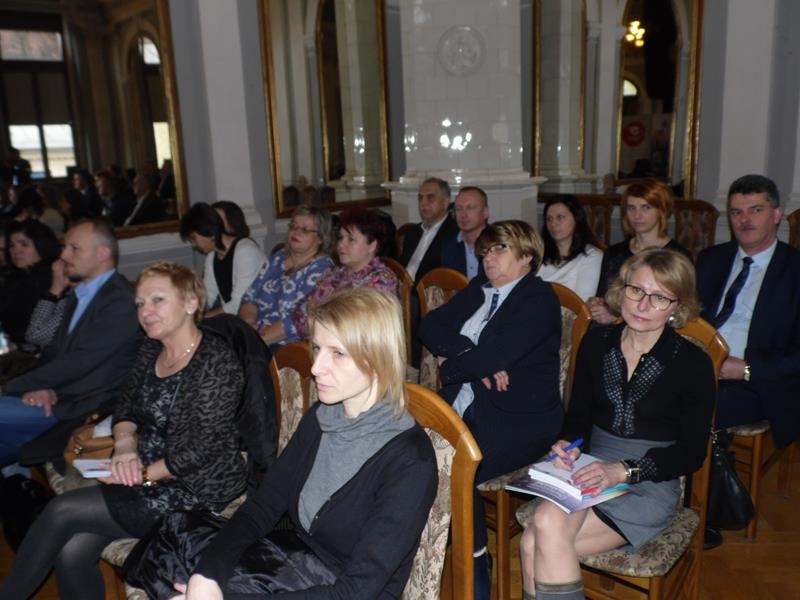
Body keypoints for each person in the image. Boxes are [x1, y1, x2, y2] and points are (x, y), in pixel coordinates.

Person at [125, 287, 438, 599]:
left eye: (338, 353)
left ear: (378, 358)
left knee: (185, 573)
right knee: (177, 530)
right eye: (317, 348)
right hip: (291, 561)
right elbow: (263, 506)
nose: (316, 368)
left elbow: (356, 591)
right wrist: (208, 574)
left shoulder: (409, 461)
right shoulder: (323, 417)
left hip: (340, 590)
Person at [0, 262, 250, 600]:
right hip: (147, 471)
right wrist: (125, 444)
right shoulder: (150, 348)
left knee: (61, 510)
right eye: (139, 303)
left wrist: (140, 475)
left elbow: (199, 451)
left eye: (157, 300)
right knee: (71, 552)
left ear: (191, 302)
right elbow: (126, 406)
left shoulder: (217, 363)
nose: (145, 311)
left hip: (197, 490)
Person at [519, 248, 715, 600]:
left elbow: (691, 453)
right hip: (589, 469)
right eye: (636, 290)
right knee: (542, 529)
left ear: (677, 306)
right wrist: (567, 445)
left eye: (659, 297)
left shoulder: (692, 363)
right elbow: (578, 421)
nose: (643, 305)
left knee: (534, 543)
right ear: (621, 290)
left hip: (648, 481)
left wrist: (623, 470)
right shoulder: (596, 342)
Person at [419, 220, 563, 599]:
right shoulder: (479, 289)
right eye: (486, 251)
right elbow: (429, 325)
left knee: (457, 464)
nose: (489, 258)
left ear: (527, 256)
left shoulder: (538, 299)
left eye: (500, 249)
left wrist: (456, 363)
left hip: (519, 420)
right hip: (464, 405)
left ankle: (476, 563)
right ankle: (426, 547)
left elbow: (496, 356)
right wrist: (471, 354)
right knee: (407, 451)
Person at [696, 175, 800, 546]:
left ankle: (704, 510)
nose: (745, 220)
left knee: (699, 408)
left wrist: (747, 369)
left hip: (761, 380)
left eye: (755, 210)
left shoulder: (795, 270)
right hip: (702, 367)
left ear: (777, 214)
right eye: (736, 212)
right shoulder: (711, 259)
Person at [0, 219, 141, 471]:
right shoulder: (83, 293)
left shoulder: (119, 300)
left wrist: (11, 387)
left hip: (80, 407)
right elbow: (54, 352)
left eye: (74, 248)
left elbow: (80, 363)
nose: (64, 255)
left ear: (102, 253)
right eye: (65, 247)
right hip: (59, 396)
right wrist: (39, 386)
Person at [589, 179, 692, 323]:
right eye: (631, 208)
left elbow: (682, 310)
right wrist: (598, 305)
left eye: (646, 207)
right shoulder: (614, 253)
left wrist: (617, 317)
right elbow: (604, 297)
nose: (637, 215)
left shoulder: (678, 256)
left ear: (661, 210)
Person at [292, 207, 399, 339]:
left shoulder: (382, 280)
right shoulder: (334, 273)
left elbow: (356, 331)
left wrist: (317, 315)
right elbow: (299, 312)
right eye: (341, 238)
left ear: (372, 246)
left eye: (351, 239)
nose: (341, 245)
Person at [239, 205, 334, 348]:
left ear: (321, 238)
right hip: (254, 334)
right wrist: (249, 326)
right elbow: (249, 297)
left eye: (305, 230)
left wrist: (256, 340)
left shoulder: (323, 269)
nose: (296, 232)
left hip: (287, 346)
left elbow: (299, 320)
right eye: (293, 226)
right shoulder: (278, 258)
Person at [180, 203, 265, 318]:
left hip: (258, 318)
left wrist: (202, 318)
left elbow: (239, 304)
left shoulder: (245, 251)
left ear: (210, 233)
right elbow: (207, 296)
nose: (194, 245)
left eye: (193, 238)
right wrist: (187, 312)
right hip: (234, 319)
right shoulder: (212, 257)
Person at [0, 219, 61, 346]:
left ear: (42, 246)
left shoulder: (54, 279)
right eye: (11, 245)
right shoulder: (15, 277)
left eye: (24, 244)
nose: (16, 251)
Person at [537, 195, 604, 301]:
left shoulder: (592, 256)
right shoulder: (540, 254)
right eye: (549, 219)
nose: (553, 223)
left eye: (560, 217)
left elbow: (581, 303)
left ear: (576, 219)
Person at [398, 177, 459, 283]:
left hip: (428, 291)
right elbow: (401, 267)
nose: (423, 203)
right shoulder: (413, 232)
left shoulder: (455, 234)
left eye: (430, 198)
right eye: (420, 198)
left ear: (445, 202)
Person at [441, 185, 489, 281]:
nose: (463, 215)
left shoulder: (498, 242)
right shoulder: (449, 246)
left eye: (470, 208)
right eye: (459, 209)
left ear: (485, 212)